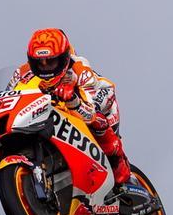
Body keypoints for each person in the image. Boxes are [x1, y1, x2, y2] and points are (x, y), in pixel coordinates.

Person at [8, 28, 131, 184]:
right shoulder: (21, 73)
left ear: (64, 58)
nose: (45, 67)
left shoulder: (80, 69)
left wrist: (73, 100)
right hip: (53, 110)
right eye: (39, 63)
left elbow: (90, 112)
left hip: (96, 99)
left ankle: (118, 161)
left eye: (51, 62)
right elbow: (7, 97)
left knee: (97, 120)